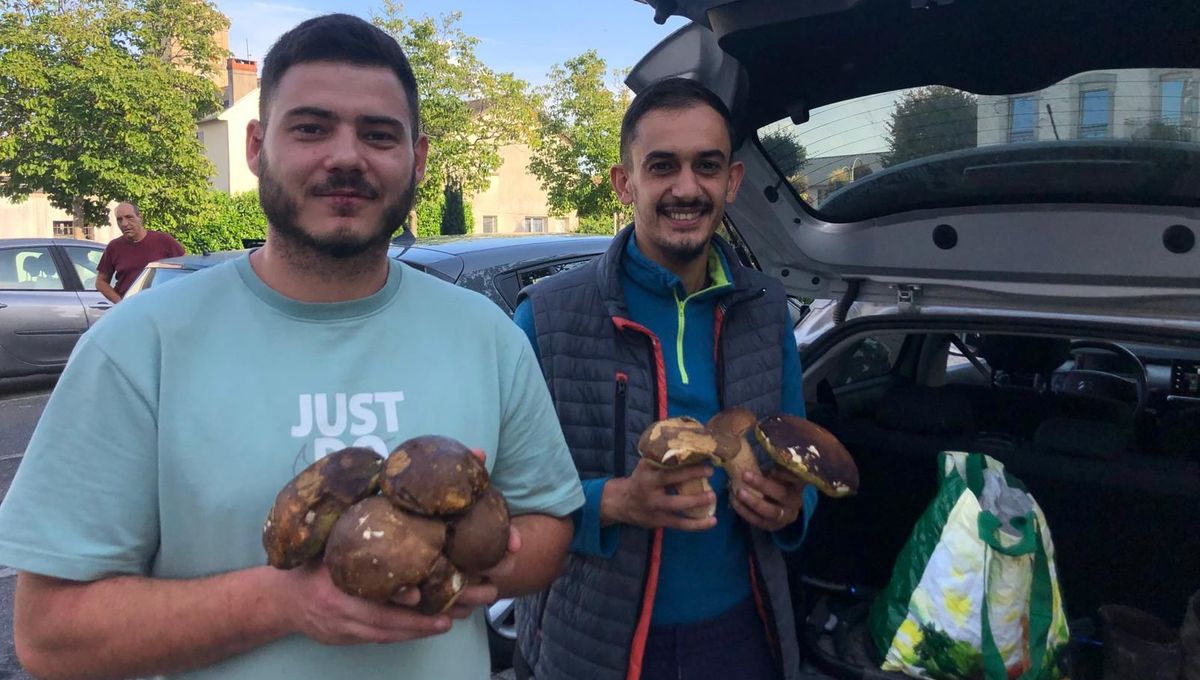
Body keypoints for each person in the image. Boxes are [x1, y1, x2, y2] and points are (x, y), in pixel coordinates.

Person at [0, 14, 583, 680]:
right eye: (310, 128)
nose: (345, 156)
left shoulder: (486, 334)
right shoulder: (138, 346)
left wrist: (458, 552)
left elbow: (549, 528)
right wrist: (287, 604)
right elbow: (49, 634)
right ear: (256, 146)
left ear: (417, 160)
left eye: (378, 134)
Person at [511, 77, 818, 680]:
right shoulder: (545, 316)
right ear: (625, 182)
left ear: (731, 180)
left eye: (706, 166)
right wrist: (618, 500)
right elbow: (505, 497)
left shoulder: (766, 307)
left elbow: (797, 452)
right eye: (662, 166)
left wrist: (792, 507)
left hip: (743, 635)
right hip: (591, 642)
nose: (686, 188)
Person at [96, 201, 186, 302]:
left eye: (129, 217)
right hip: (130, 309)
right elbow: (101, 282)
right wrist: (121, 303)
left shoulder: (163, 240)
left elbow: (188, 268)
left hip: (161, 305)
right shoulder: (113, 247)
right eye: (119, 220)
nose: (124, 224)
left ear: (140, 217)